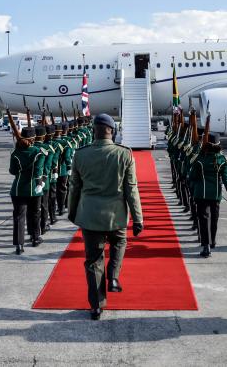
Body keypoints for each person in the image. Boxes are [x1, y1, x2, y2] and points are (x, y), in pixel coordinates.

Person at [68, 113, 143, 320]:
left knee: (93, 262)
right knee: (119, 243)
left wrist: (72, 212)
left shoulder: (80, 154)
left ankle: (96, 306)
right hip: (116, 216)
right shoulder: (124, 154)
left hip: (90, 216)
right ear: (113, 131)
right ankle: (114, 276)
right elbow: (131, 189)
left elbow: (74, 188)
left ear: (94, 131)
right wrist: (138, 218)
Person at [190, 133, 227, 258]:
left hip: (201, 193)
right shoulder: (222, 160)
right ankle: (213, 241)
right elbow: (226, 179)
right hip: (215, 194)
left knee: (204, 220)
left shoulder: (199, 159)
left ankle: (206, 246)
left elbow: (192, 177)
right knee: (214, 219)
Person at [9, 127, 45, 254]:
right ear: (33, 138)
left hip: (18, 189)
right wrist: (40, 184)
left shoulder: (15, 153)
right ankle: (35, 238)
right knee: (35, 214)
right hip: (34, 189)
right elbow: (38, 171)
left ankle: (19, 245)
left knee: (19, 217)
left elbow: (12, 171)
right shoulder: (38, 152)